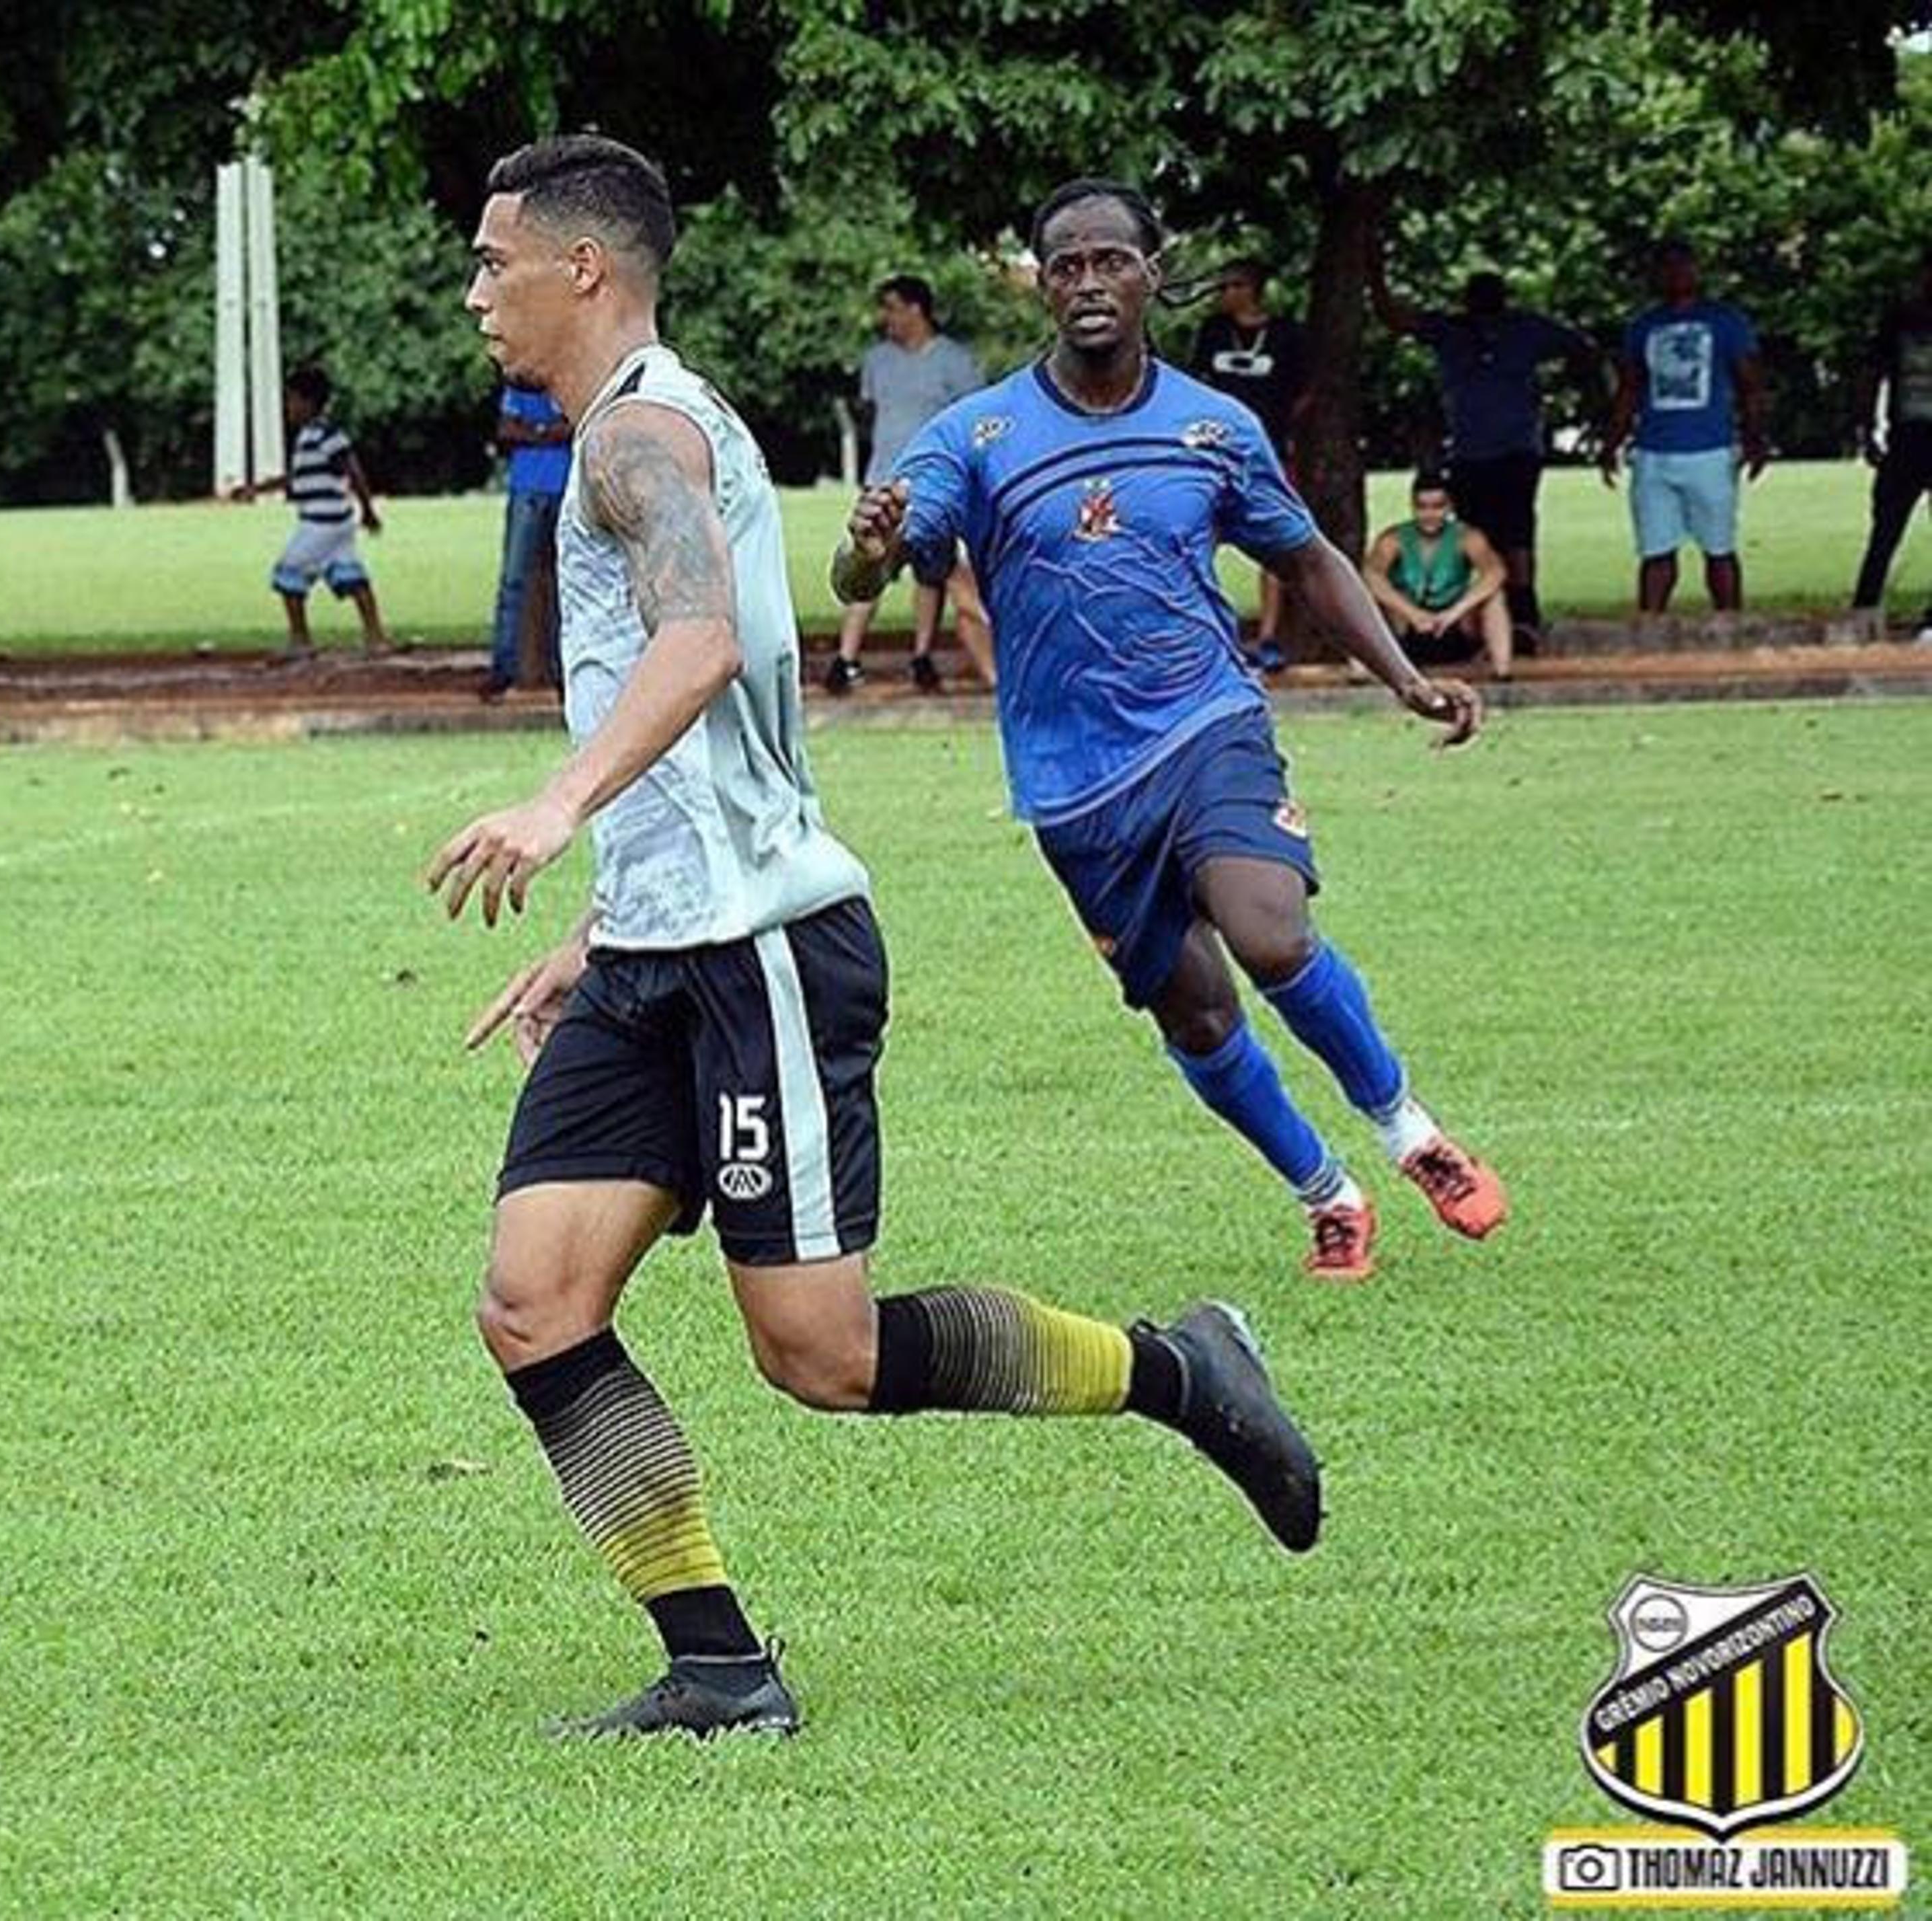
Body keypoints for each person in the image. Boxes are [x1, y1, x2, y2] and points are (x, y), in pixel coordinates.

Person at [434, 135, 1322, 1741]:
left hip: (764, 952)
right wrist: (606, 916)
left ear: (584, 269)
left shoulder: (638, 438)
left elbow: (698, 645)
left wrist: (557, 805)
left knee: (821, 1359)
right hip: (660, 951)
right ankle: (718, 1666)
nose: (475, 289)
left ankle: (1180, 1371)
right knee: (531, 1302)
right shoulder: (631, 434)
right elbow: (731, 725)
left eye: (495, 260)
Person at [836, 178, 1509, 1283]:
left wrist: (1402, 677)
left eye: (1111, 260)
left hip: (1206, 722)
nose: (1089, 281)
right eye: (1066, 265)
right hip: (1071, 781)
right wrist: (869, 547)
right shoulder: (977, 435)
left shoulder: (1213, 426)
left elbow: (1305, 557)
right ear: (1042, 285)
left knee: (1271, 932)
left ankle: (1410, 1134)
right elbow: (869, 562)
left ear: (1154, 273)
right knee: (1197, 1018)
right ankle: (1326, 1193)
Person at [1367, 241, 1597, 640]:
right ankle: (1476, 615)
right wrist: (1374, 276)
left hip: (1516, 447)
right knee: (1472, 534)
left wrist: (1583, 393)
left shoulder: (1526, 329)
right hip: (1469, 450)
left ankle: (1523, 613)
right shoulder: (1451, 331)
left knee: (1517, 532)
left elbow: (1583, 349)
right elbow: (1398, 319)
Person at [824, 276, 990, 695]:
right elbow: (871, 411)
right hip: (882, 481)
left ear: (917, 309)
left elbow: (975, 425)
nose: (886, 317)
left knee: (931, 576)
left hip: (935, 490)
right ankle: (846, 659)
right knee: (868, 565)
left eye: (893, 307)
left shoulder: (955, 361)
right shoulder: (877, 360)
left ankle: (922, 658)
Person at [1600, 239, 1767, 613]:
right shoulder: (1643, 326)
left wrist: (1755, 437)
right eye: (1666, 267)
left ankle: (1730, 627)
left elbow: (1750, 384)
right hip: (1654, 451)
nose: (1675, 274)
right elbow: (1630, 388)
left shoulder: (1725, 321)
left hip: (1710, 448)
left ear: (1696, 270)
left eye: (1683, 265)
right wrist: (1612, 441)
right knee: (1655, 552)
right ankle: (1650, 630)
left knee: (1719, 548)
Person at [1189, 258, 1311, 670]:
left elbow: (1303, 393)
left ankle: (1270, 637)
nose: (1222, 294)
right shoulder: (1213, 333)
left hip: (1268, 453)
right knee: (1199, 537)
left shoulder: (1287, 336)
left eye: (1230, 286)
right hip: (1210, 456)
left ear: (1251, 289)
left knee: (1273, 542)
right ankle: (1206, 634)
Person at [232, 366, 389, 656]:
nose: (287, 407)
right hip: (336, 521)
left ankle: (300, 639)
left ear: (308, 402)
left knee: (288, 572)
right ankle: (376, 637)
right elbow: (295, 478)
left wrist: (368, 508)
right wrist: (255, 490)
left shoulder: (325, 434)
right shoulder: (307, 438)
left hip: (322, 521)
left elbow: (353, 469)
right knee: (349, 574)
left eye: (291, 400)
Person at [1851, 250, 1932, 642]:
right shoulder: (1899, 321)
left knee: (1885, 530)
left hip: (1908, 441)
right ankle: (1865, 608)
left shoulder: (1899, 318)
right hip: (1907, 441)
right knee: (1885, 531)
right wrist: (1867, 428)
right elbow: (1871, 373)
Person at [1363, 472, 1514, 678]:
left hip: (1456, 626)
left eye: (1437, 507)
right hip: (1407, 628)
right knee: (1365, 598)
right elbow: (1371, 576)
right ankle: (1361, 672)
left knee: (1496, 598)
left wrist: (1454, 612)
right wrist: (1413, 614)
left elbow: (1496, 573)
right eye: (1422, 507)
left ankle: (1502, 671)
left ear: (1450, 507)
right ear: (1413, 507)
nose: (1430, 515)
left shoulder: (1467, 537)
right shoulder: (1393, 540)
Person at [481, 381, 572, 701]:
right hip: (528, 486)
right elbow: (505, 430)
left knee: (569, 583)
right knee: (513, 581)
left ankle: (567, 671)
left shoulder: (568, 383)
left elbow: (576, 425)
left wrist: (532, 432)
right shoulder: (520, 387)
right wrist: (549, 431)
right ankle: (503, 667)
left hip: (566, 486)